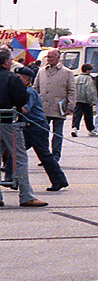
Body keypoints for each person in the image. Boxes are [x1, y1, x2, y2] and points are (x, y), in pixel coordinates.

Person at [0, 49, 45, 207]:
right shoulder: (11, 78)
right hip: (8, 121)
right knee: (20, 157)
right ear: (6, 62)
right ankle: (26, 195)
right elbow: (21, 99)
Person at [16, 65, 67, 193]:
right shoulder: (24, 91)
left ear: (26, 79)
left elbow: (25, 109)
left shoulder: (29, 92)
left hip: (36, 128)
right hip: (28, 127)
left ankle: (59, 180)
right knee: (15, 152)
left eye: (19, 78)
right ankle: (13, 179)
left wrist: (11, 107)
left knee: (44, 155)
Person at [35, 48, 75, 162]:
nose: (49, 59)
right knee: (42, 133)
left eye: (51, 57)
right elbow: (35, 88)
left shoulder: (67, 72)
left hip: (59, 108)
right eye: (48, 57)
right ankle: (44, 156)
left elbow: (72, 90)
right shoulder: (41, 71)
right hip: (43, 108)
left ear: (58, 58)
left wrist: (70, 106)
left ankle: (55, 157)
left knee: (57, 133)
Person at [71, 64, 97, 137]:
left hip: (77, 100)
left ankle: (74, 128)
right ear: (88, 70)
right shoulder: (88, 79)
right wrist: (91, 100)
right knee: (88, 116)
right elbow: (90, 90)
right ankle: (91, 129)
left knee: (77, 115)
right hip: (86, 100)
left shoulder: (76, 78)